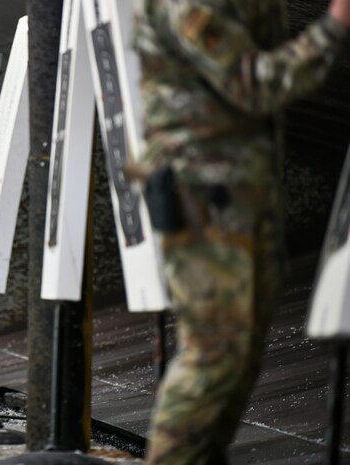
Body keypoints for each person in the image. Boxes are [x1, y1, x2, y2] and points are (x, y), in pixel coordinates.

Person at [133, 1, 350, 463]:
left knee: (240, 359)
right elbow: (252, 84)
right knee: (213, 358)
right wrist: (334, 28)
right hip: (205, 201)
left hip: (241, 199)